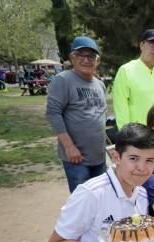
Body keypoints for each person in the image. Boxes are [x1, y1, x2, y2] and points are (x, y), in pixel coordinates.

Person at [46, 36, 108, 192]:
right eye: (81, 55)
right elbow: (53, 113)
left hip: (99, 157)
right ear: (73, 57)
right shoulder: (63, 80)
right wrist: (69, 147)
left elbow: (100, 115)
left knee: (100, 199)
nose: (86, 60)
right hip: (77, 158)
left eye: (91, 56)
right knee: (82, 203)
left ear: (97, 60)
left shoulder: (100, 84)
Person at [113, 29, 154, 129]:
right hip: (135, 137)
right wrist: (126, 135)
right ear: (141, 45)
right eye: (152, 43)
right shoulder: (126, 71)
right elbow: (121, 108)